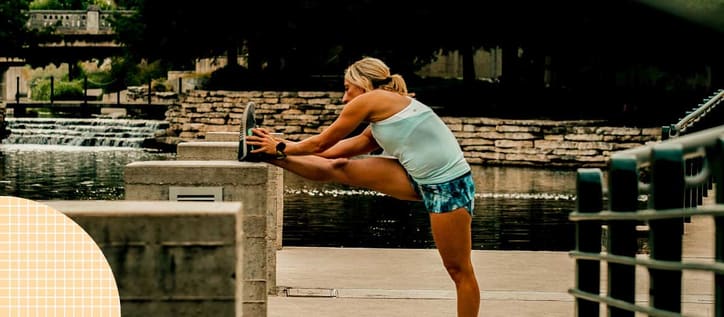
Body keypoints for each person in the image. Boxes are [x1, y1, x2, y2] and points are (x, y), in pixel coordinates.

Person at [244, 56, 480, 316]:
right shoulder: (383, 114)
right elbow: (334, 152)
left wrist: (281, 145)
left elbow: (321, 144)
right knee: (340, 167)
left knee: (459, 270)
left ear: (362, 83)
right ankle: (260, 153)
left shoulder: (371, 100)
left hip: (448, 186)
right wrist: (277, 146)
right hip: (418, 178)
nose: (345, 98)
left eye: (347, 88)